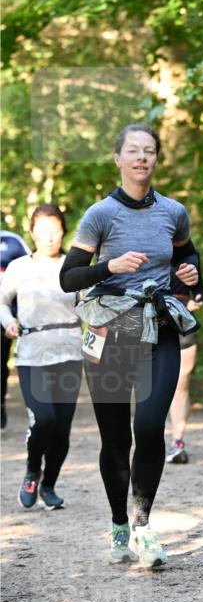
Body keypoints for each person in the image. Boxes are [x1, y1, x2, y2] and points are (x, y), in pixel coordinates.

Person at [59, 123, 200, 568]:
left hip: (158, 331)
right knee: (116, 440)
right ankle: (119, 520)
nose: (142, 158)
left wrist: (190, 276)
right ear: (118, 159)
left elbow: (187, 255)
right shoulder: (99, 215)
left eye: (150, 151)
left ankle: (142, 526)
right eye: (133, 151)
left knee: (151, 425)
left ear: (157, 159)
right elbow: (69, 278)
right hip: (110, 336)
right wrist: (109, 266)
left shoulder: (173, 211)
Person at [0, 206, 82, 510]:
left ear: (63, 231)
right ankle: (33, 470)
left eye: (56, 229)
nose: (50, 236)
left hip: (70, 353)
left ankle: (49, 486)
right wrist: (8, 321)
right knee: (43, 419)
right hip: (32, 354)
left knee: (61, 429)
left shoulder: (74, 267)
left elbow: (90, 307)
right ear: (32, 232)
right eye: (43, 229)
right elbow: (2, 301)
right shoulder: (19, 267)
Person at [166, 259, 203, 464]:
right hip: (152, 318)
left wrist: (198, 299)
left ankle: (177, 442)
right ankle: (148, 439)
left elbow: (199, 288)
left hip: (182, 322)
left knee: (181, 382)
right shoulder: (144, 241)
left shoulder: (189, 252)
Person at [1, 228, 30, 428]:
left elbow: (32, 270)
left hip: (5, 315)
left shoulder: (12, 241)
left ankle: (0, 403)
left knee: (1, 363)